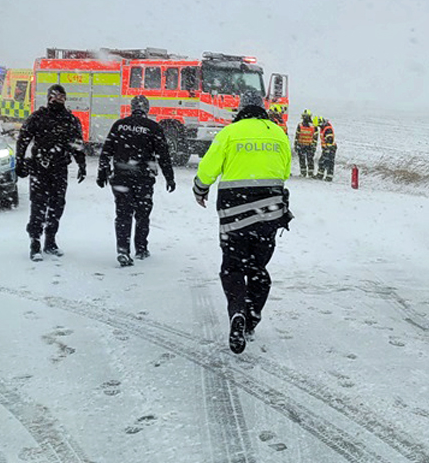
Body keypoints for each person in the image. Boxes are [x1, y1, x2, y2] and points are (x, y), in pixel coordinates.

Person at [193, 90, 292, 354]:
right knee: (258, 267)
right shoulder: (278, 133)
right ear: (262, 108)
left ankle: (236, 311)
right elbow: (285, 171)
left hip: (233, 212)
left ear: (240, 108)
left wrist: (200, 189)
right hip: (268, 212)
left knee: (233, 266)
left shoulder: (229, 133)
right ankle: (251, 318)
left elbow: (207, 168)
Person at [96, 95, 176, 267]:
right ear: (147, 109)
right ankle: (141, 248)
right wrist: (169, 177)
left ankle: (123, 250)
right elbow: (163, 155)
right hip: (143, 178)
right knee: (142, 213)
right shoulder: (153, 127)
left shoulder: (119, 125)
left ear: (132, 108)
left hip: (121, 176)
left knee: (123, 214)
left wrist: (102, 172)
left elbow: (106, 150)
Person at [15, 84, 87, 261]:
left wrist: (82, 164)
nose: (58, 100)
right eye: (55, 97)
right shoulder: (38, 117)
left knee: (57, 206)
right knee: (38, 205)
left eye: (61, 97)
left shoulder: (70, 120)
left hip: (59, 168)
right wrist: (20, 161)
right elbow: (23, 139)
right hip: (40, 167)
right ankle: (35, 243)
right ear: (48, 98)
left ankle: (50, 240)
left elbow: (77, 144)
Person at [293, 109, 318, 178]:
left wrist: (296, 144)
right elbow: (315, 138)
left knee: (304, 159)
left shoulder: (300, 125)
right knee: (308, 159)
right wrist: (314, 147)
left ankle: (305, 173)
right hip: (308, 145)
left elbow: (297, 136)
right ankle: (309, 173)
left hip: (303, 145)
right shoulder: (313, 126)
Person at [317, 116, 337, 182]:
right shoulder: (324, 128)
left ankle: (328, 176)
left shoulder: (328, 129)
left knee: (328, 162)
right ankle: (321, 175)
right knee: (323, 161)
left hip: (330, 148)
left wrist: (328, 149)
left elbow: (330, 140)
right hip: (327, 148)